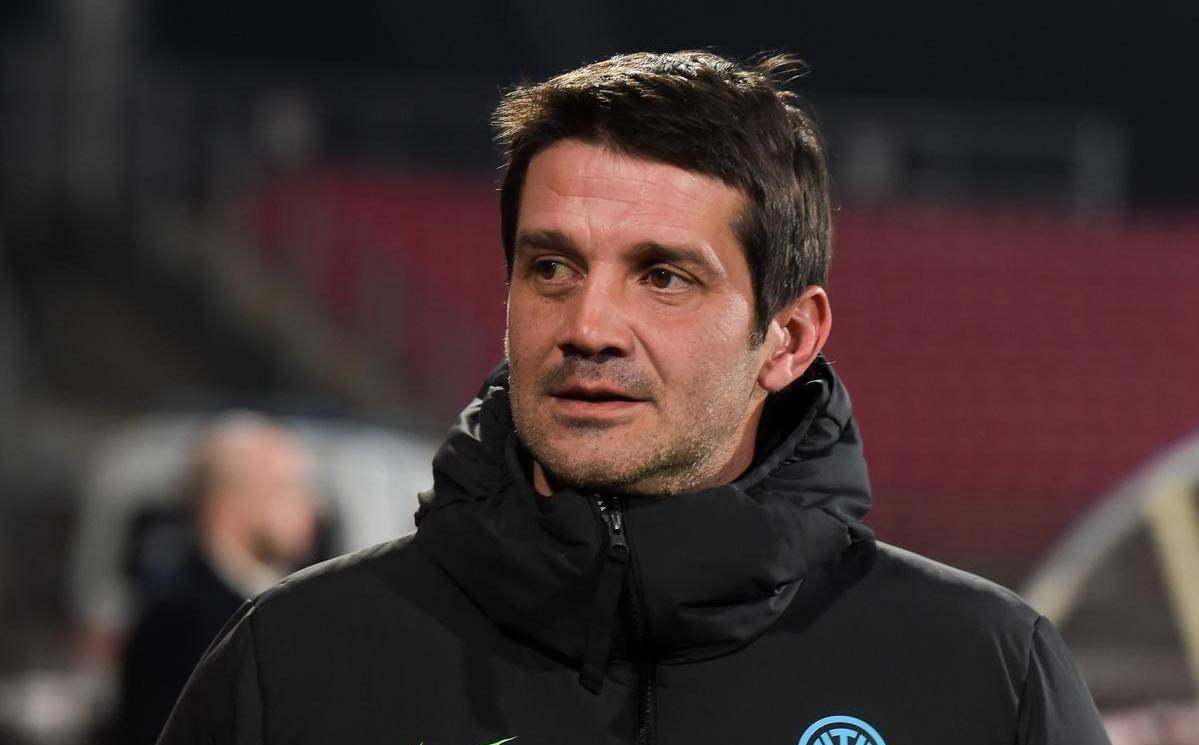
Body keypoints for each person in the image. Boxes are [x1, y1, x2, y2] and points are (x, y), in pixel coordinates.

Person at [158, 51, 1110, 745]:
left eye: (662, 277)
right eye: (551, 266)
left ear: (788, 339)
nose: (588, 325)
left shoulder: (983, 675)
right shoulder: (295, 663)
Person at [114, 412, 317, 745]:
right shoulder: (175, 619)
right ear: (231, 500)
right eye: (289, 488)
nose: (311, 507)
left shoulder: (296, 602)